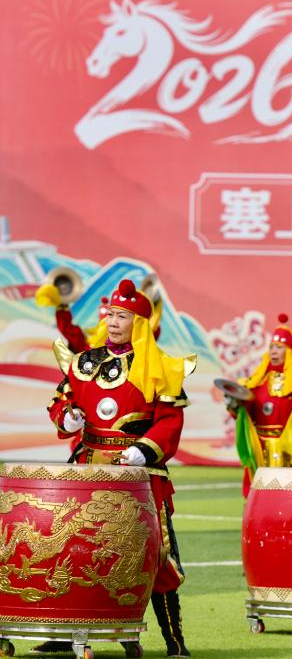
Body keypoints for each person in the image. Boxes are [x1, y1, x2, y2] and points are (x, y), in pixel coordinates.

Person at [45, 279, 193, 657]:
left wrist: (144, 449)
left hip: (140, 477)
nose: (113, 322)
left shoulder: (161, 367)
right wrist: (67, 416)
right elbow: (61, 401)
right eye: (111, 314)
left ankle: (174, 641)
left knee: (156, 555)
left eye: (122, 316)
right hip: (88, 470)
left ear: (139, 323)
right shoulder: (84, 362)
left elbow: (170, 421)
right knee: (73, 548)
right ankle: (63, 634)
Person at [229, 314, 292, 496]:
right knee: (259, 497)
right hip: (261, 449)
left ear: (290, 352)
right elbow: (245, 414)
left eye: (279, 347)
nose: (273, 352)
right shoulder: (257, 382)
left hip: (290, 449)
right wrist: (235, 404)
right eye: (271, 347)